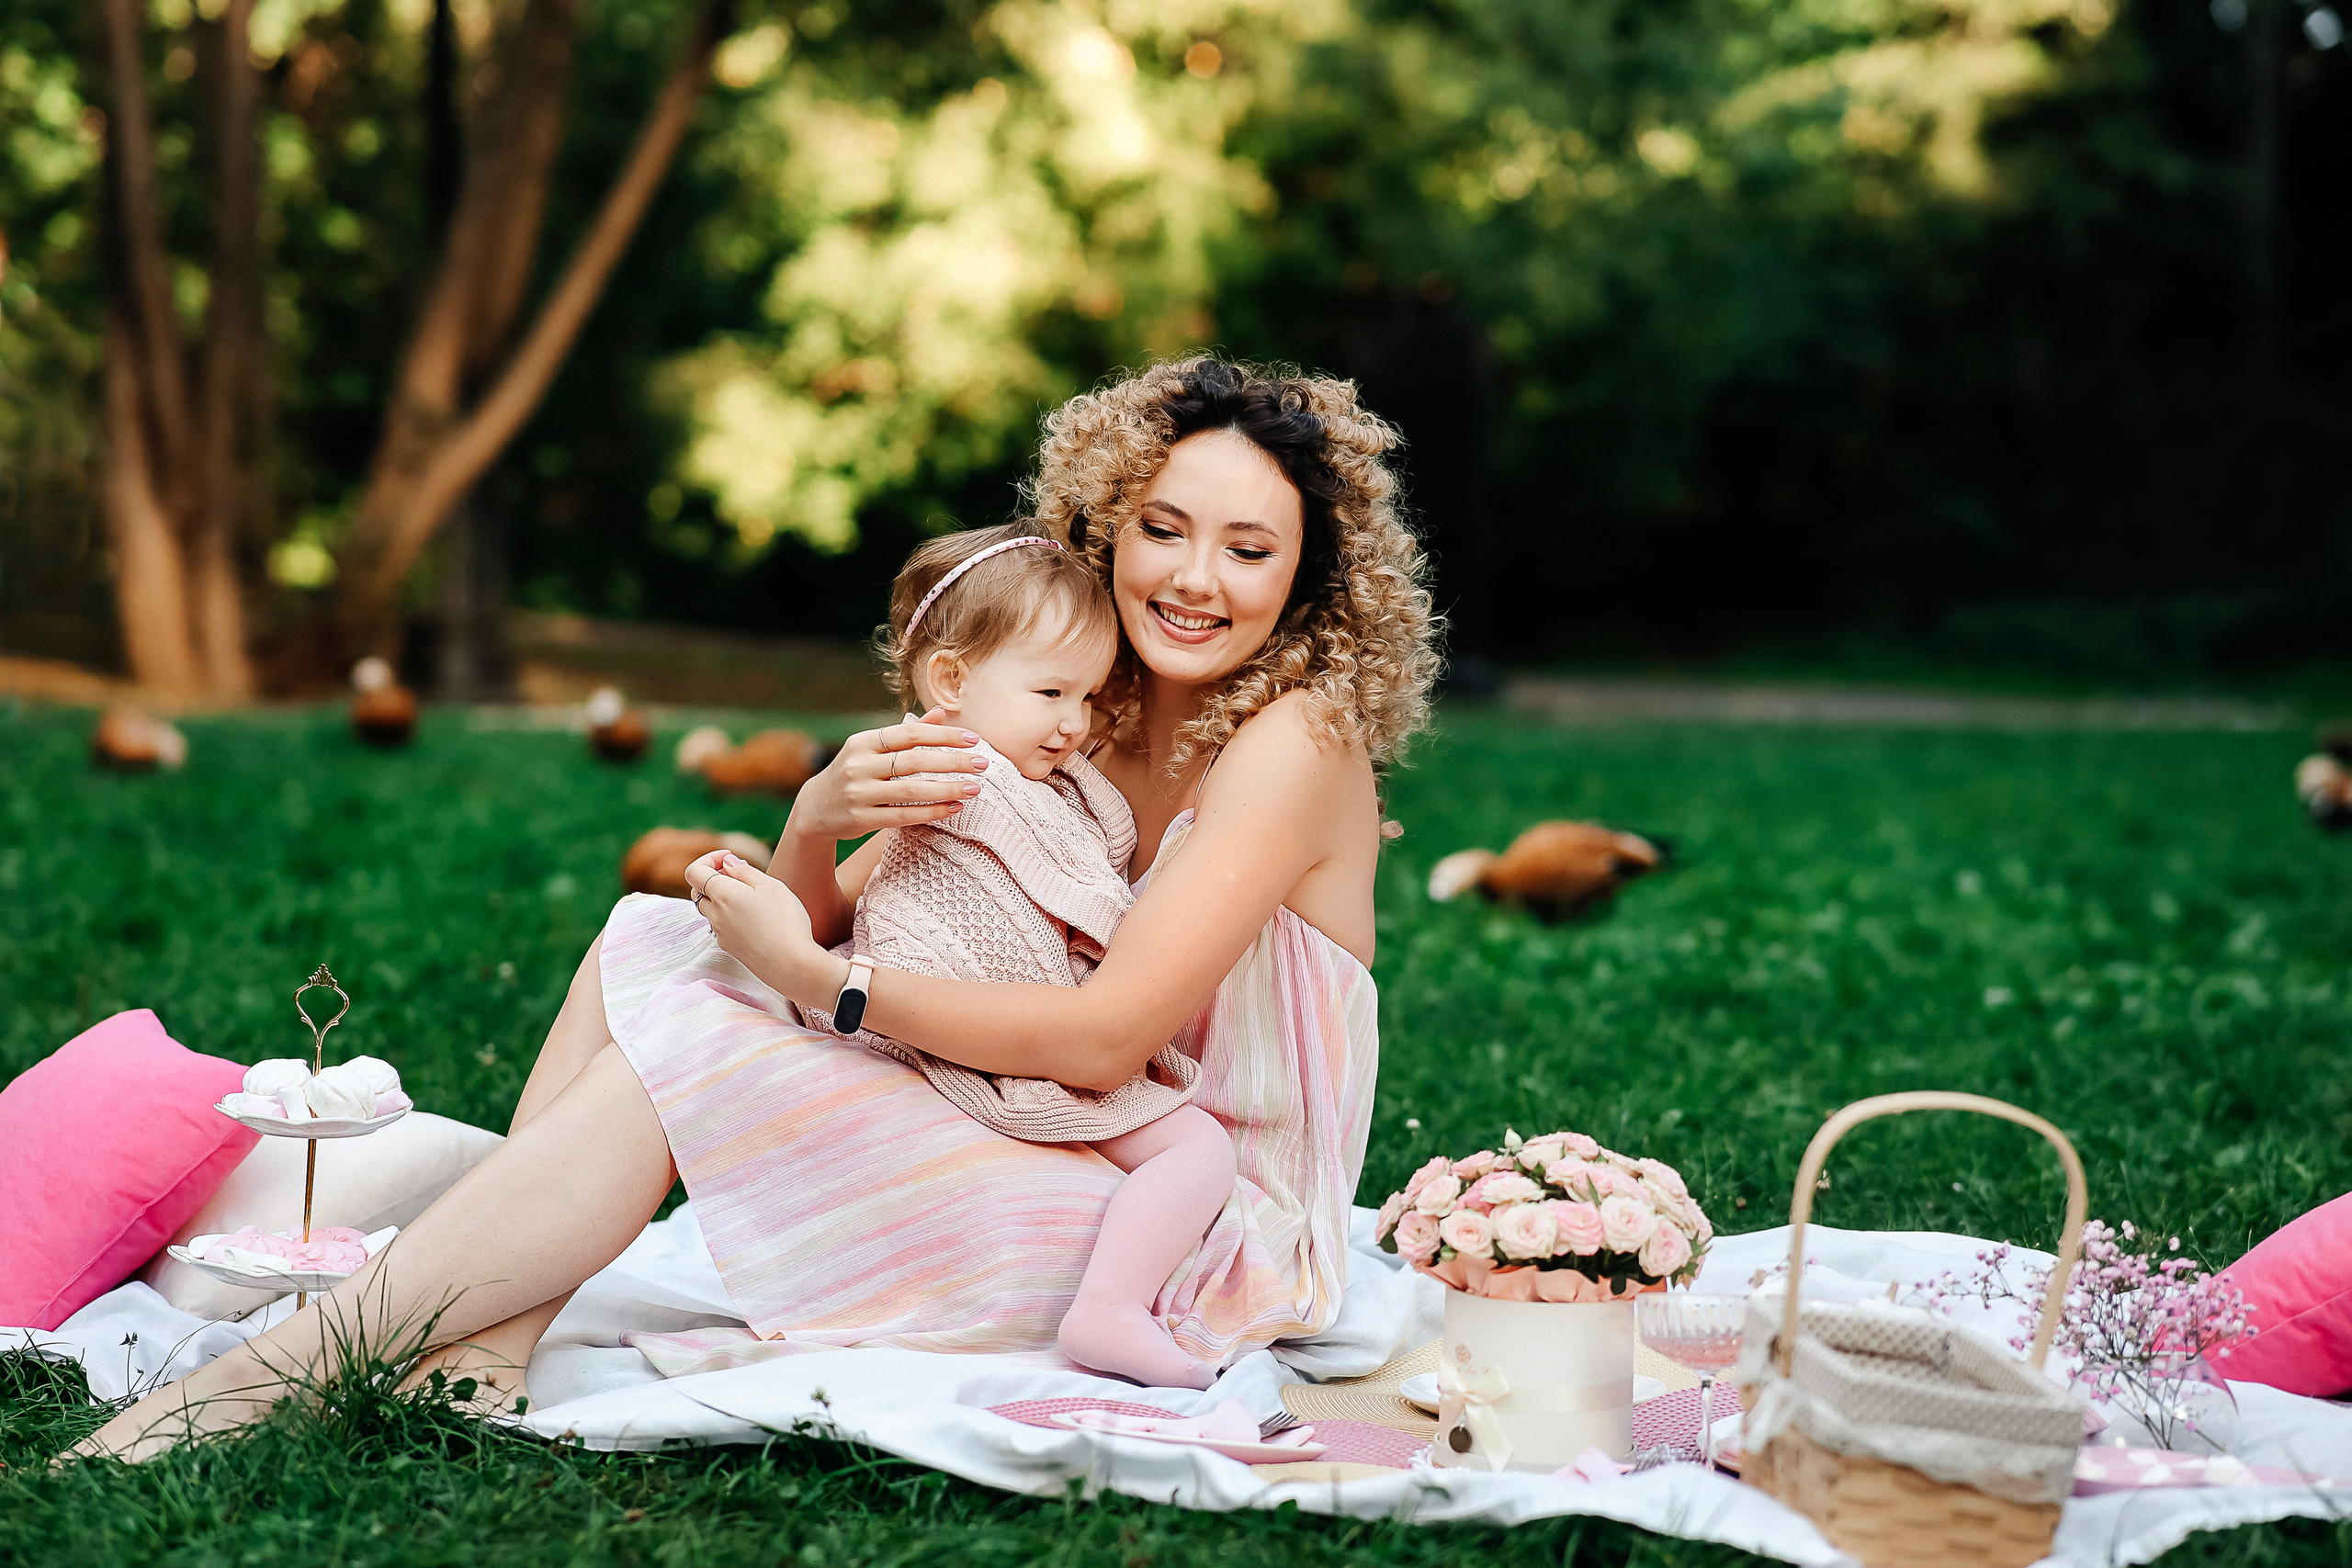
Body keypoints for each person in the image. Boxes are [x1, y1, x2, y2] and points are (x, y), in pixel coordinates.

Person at [76, 358, 1439, 1459]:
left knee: (718, 1039)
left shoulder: (1293, 739)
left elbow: (1089, 1034)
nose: (1195, 578)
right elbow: (836, 922)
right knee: (658, 936)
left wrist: (831, 989)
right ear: (1105, 526)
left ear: (1311, 579)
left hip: (1191, 1216)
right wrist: (815, 815)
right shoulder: (1074, 708)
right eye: (1163, 529)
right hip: (1062, 1134)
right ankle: (483, 1344)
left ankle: (282, 1371)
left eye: (1248, 549)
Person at [776, 521, 1238, 1388]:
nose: (1075, 725)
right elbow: (830, 921)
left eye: (1091, 698)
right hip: (962, 1034)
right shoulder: (958, 774)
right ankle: (1108, 1308)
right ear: (950, 679)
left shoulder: (1004, 772)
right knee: (1199, 1149)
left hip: (951, 1025)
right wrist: (810, 820)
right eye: (1053, 692)